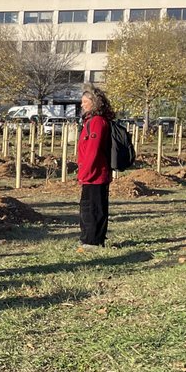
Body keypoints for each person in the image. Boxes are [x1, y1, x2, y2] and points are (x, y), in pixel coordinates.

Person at [77, 85, 113, 251]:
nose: (82, 105)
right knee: (88, 207)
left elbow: (93, 150)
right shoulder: (91, 121)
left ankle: (93, 241)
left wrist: (84, 173)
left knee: (92, 208)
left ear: (95, 103)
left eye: (85, 102)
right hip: (92, 173)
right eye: (81, 102)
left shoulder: (97, 122)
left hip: (95, 174)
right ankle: (88, 239)